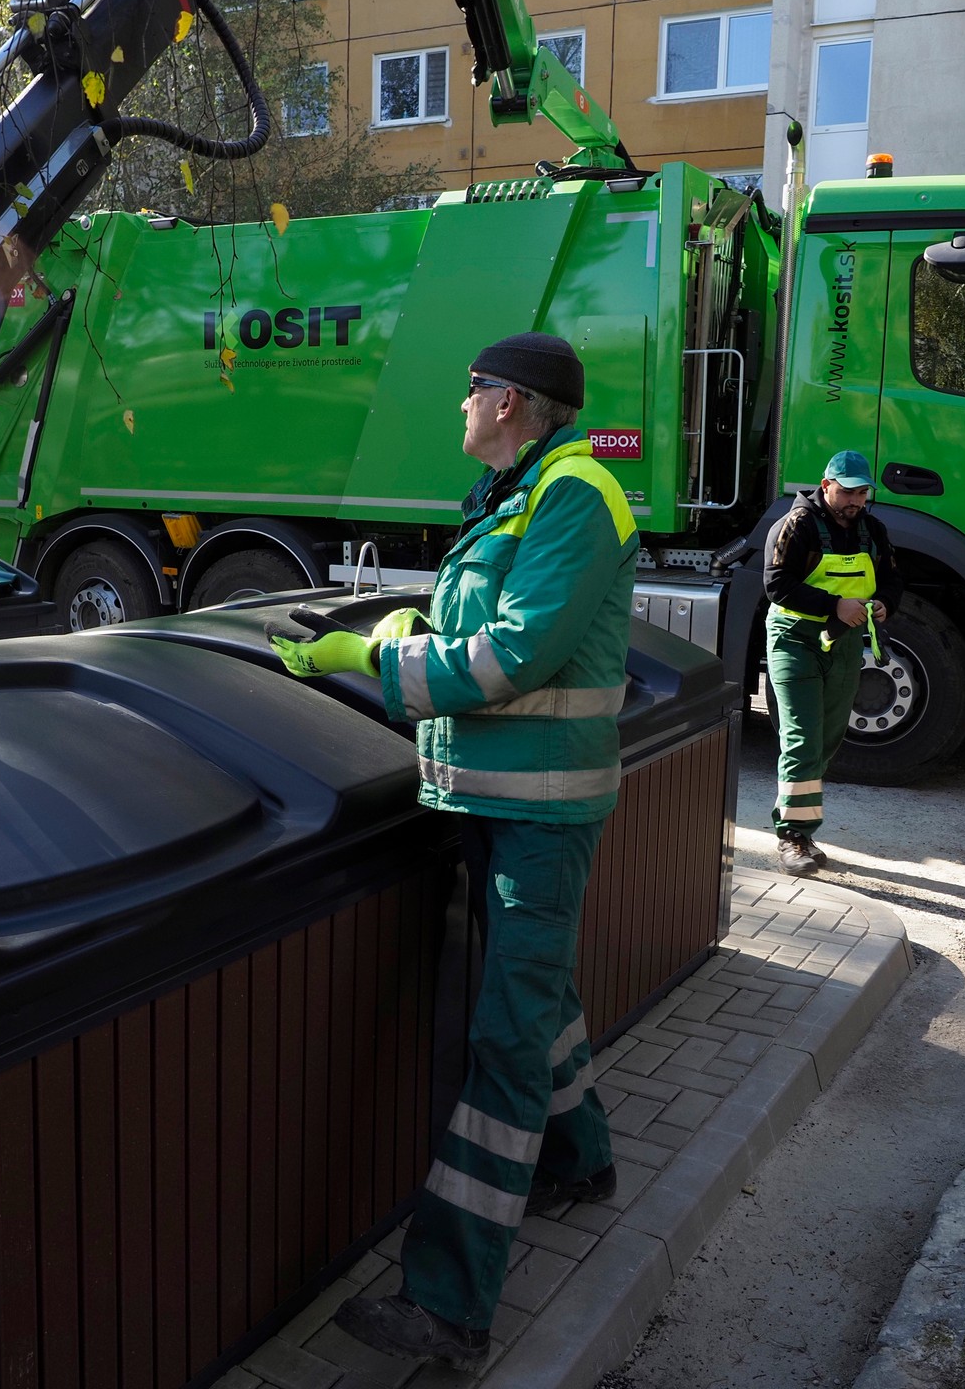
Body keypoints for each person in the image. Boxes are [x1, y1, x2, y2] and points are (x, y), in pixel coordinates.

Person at [270, 332, 638, 1370]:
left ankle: (449, 1304)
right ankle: (583, 1163)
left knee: (508, 1039)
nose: (461, 406)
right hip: (493, 797)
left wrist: (378, 658)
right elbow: (480, 619)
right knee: (541, 997)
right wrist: (409, 623)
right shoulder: (520, 490)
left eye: (470, 390)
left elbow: (517, 652)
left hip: (540, 810)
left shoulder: (577, 494)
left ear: (513, 402)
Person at [762, 449, 902, 876]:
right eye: (847, 492)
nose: (855, 501)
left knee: (827, 740)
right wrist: (833, 606)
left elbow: (893, 580)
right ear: (826, 486)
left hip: (843, 645)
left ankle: (801, 825)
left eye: (862, 493)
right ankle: (792, 836)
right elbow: (775, 584)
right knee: (803, 737)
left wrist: (882, 605)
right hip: (794, 640)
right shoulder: (797, 525)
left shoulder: (872, 530)